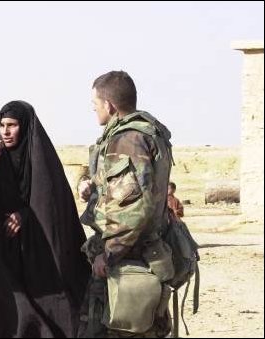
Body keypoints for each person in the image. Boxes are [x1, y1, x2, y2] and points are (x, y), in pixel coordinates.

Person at [0, 100, 90, 338]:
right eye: (1, 125)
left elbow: (53, 207)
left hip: (40, 258)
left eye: (11, 125)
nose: (5, 131)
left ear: (23, 127)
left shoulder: (42, 161)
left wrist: (25, 216)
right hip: (4, 254)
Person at [78, 71, 174, 338]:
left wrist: (108, 253)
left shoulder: (127, 140)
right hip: (145, 258)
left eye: (95, 105)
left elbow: (132, 209)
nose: (94, 110)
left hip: (128, 264)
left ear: (109, 105)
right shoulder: (149, 133)